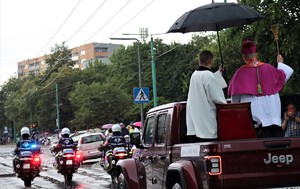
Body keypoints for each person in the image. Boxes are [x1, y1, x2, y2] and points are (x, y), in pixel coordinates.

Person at [228, 40, 293, 138]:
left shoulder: (239, 74)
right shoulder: (270, 69)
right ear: (256, 54)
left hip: (255, 126)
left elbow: (235, 103)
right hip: (274, 122)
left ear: (243, 57)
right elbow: (286, 73)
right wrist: (280, 63)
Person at [186, 50, 227, 142]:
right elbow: (219, 99)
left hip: (195, 124)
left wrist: (219, 73)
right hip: (207, 125)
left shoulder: (194, 75)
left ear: (199, 61)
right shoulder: (209, 76)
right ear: (211, 61)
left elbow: (205, 83)